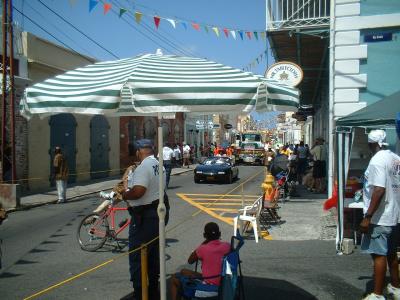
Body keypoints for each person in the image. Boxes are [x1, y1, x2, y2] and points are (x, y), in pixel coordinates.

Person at [122, 139, 168, 300]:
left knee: (137, 257)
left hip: (143, 218)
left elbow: (138, 192)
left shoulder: (143, 168)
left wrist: (125, 194)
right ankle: (153, 290)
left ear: (139, 151)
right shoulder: (158, 164)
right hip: (155, 214)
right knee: (153, 255)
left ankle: (140, 292)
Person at [359, 130, 400, 300]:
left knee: (378, 255)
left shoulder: (377, 161)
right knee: (391, 253)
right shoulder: (395, 158)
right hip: (395, 214)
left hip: (380, 217)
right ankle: (396, 287)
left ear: (371, 144)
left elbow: (379, 189)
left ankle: (377, 294)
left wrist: (368, 217)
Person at [170, 222, 231, 300]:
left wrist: (204, 243)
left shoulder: (202, 249)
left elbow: (190, 260)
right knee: (183, 271)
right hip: (223, 283)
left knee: (174, 279)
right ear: (219, 234)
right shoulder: (227, 246)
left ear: (204, 235)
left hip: (209, 287)